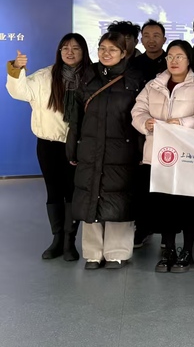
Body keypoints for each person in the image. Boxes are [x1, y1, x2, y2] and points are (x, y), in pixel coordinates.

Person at [6, 34, 91, 261]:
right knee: (54, 191)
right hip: (49, 144)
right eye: (65, 48)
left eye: (75, 48)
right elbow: (19, 92)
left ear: (84, 52)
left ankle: (70, 242)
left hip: (79, 145)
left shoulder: (92, 77)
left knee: (73, 192)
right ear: (59, 51)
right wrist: (17, 69)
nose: (69, 52)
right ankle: (57, 239)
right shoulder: (45, 76)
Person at [66, 32, 145, 269]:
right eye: (102, 48)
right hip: (90, 149)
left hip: (122, 151)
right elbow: (75, 119)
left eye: (112, 49)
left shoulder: (135, 79)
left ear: (124, 53)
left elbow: (140, 120)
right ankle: (92, 253)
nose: (106, 53)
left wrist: (141, 152)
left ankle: (117, 252)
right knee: (90, 196)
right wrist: (72, 148)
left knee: (119, 198)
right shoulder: (87, 77)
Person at [131, 40, 194, 273]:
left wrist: (184, 123)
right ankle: (168, 249)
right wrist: (145, 122)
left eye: (179, 56)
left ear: (189, 59)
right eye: (170, 57)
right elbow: (137, 110)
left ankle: (187, 250)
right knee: (163, 204)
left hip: (189, 155)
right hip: (159, 153)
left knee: (189, 204)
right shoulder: (154, 84)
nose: (174, 61)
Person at [129, 19, 168, 248]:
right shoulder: (134, 65)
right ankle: (142, 228)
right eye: (147, 36)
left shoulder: (171, 62)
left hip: (170, 135)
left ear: (164, 39)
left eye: (156, 36)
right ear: (141, 40)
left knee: (165, 187)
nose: (151, 40)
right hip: (142, 133)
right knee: (142, 185)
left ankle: (166, 232)